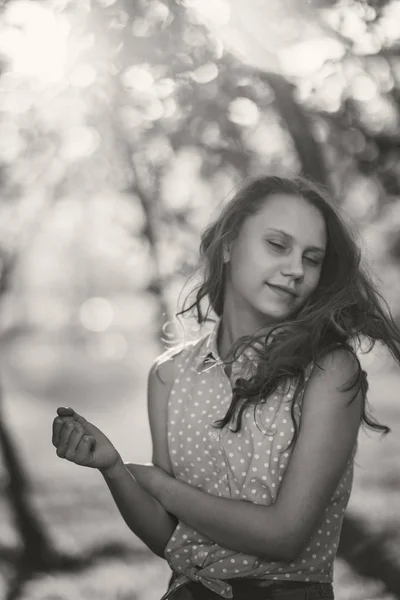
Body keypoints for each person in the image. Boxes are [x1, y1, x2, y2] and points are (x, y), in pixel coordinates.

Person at [52, 175, 399, 600]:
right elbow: (170, 539)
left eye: (312, 258)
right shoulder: (168, 375)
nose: (295, 269)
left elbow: (285, 535)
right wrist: (114, 469)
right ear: (230, 244)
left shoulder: (329, 370)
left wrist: (160, 485)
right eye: (277, 244)